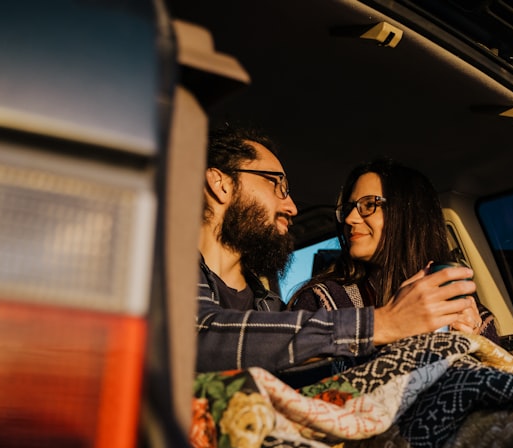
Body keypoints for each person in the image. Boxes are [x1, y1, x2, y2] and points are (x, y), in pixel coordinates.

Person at [196, 124, 478, 373]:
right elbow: (197, 336)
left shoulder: (273, 310)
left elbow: (327, 382)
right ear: (221, 184)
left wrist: (463, 343)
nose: (291, 206)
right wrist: (385, 323)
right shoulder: (159, 270)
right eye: (277, 184)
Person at [288, 158, 500, 345]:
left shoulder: (470, 313)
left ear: (408, 215)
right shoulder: (323, 301)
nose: (350, 218)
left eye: (369, 204)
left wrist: (473, 342)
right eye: (349, 208)